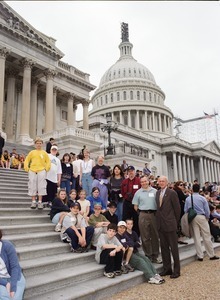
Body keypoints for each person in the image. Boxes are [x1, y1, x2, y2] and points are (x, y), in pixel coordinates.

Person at [184, 184, 219, 261]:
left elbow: (185, 210)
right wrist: (207, 217)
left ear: (192, 190)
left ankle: (200, 256)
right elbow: (207, 210)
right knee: (206, 236)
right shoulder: (202, 198)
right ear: (199, 190)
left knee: (196, 237)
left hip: (192, 217)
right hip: (201, 216)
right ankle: (211, 254)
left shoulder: (188, 199)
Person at [155, 176, 181, 279]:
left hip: (170, 224)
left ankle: (177, 270)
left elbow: (177, 209)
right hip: (161, 225)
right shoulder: (157, 193)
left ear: (167, 182)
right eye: (160, 181)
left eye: (163, 181)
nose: (161, 183)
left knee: (174, 249)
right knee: (164, 248)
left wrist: (175, 222)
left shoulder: (172, 193)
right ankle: (167, 269)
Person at [124, 219, 165, 284]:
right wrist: (133, 243)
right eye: (128, 224)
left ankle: (156, 274)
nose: (129, 225)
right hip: (129, 254)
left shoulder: (134, 233)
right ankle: (150, 277)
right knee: (141, 261)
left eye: (131, 224)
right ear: (125, 225)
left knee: (146, 259)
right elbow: (130, 244)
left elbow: (138, 244)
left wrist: (132, 244)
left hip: (136, 252)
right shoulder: (124, 233)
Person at [132, 176, 161, 264]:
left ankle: (155, 255)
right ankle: (148, 255)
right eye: (142, 182)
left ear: (149, 182)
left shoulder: (155, 191)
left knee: (155, 236)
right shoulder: (138, 193)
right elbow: (135, 206)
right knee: (145, 237)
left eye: (145, 181)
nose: (144, 183)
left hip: (153, 214)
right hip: (143, 214)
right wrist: (141, 213)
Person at [24, 137, 51, 209]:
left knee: (41, 186)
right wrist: (27, 168)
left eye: (40, 143)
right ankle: (33, 202)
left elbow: (48, 162)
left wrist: (46, 169)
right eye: (37, 143)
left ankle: (40, 202)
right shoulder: (32, 152)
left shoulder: (44, 153)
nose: (39, 145)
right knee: (32, 184)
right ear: (35, 144)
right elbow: (27, 160)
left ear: (42, 144)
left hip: (41, 170)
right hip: (32, 170)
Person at [0, 229, 26, 300]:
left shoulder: (7, 246)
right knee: (4, 297)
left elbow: (15, 267)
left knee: (15, 298)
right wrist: (5, 283)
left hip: (15, 276)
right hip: (1, 280)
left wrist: (13, 288)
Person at [121, 165, 141, 235]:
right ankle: (125, 235)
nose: (130, 173)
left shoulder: (139, 180)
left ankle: (137, 235)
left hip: (136, 203)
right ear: (127, 173)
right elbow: (122, 192)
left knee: (136, 219)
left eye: (132, 171)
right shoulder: (124, 181)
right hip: (127, 202)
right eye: (129, 171)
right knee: (125, 218)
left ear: (134, 172)